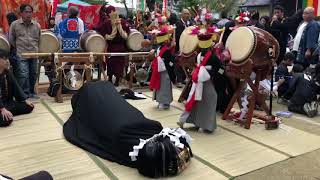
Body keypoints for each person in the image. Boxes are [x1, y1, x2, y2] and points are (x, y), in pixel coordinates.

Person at [63, 81, 192, 178]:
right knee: (119, 120)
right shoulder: (100, 88)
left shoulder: (87, 92)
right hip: (125, 123)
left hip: (122, 126)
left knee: (118, 123)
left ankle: (157, 149)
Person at [177, 30, 221, 133]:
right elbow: (220, 68)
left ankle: (197, 122)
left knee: (197, 102)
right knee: (210, 100)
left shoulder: (198, 54)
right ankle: (206, 125)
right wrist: (219, 74)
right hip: (206, 81)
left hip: (198, 82)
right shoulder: (213, 56)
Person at [9, 4, 41, 98]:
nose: (28, 14)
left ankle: (32, 92)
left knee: (33, 74)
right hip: (21, 54)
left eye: (30, 12)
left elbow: (40, 39)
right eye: (26, 12)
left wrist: (37, 50)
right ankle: (25, 94)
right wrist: (19, 48)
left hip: (34, 54)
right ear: (21, 13)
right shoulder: (15, 24)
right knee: (23, 74)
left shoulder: (37, 25)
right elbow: (11, 39)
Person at [96, 5, 130, 86]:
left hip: (111, 47)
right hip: (121, 47)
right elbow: (128, 31)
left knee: (111, 63)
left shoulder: (106, 22)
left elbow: (99, 29)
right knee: (119, 64)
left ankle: (110, 79)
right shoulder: (123, 22)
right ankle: (117, 80)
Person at [0, 49, 34, 127]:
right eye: (5, 59)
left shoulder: (7, 72)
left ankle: (7, 112)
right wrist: (2, 109)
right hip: (1, 106)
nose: (7, 61)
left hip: (7, 103)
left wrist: (24, 99)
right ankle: (6, 113)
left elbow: (16, 87)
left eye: (7, 58)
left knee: (29, 107)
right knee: (7, 120)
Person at [149, 28, 176, 110]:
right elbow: (169, 62)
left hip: (161, 71)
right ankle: (162, 102)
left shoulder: (161, 50)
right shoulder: (163, 50)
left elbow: (169, 61)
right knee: (162, 87)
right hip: (162, 71)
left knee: (161, 86)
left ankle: (163, 102)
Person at [175, 9, 192, 88]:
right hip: (180, 46)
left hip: (189, 47)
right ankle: (179, 80)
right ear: (182, 14)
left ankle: (185, 78)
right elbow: (178, 37)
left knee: (187, 63)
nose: (187, 15)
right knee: (179, 63)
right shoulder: (178, 24)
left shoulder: (190, 23)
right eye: (185, 13)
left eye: (188, 14)